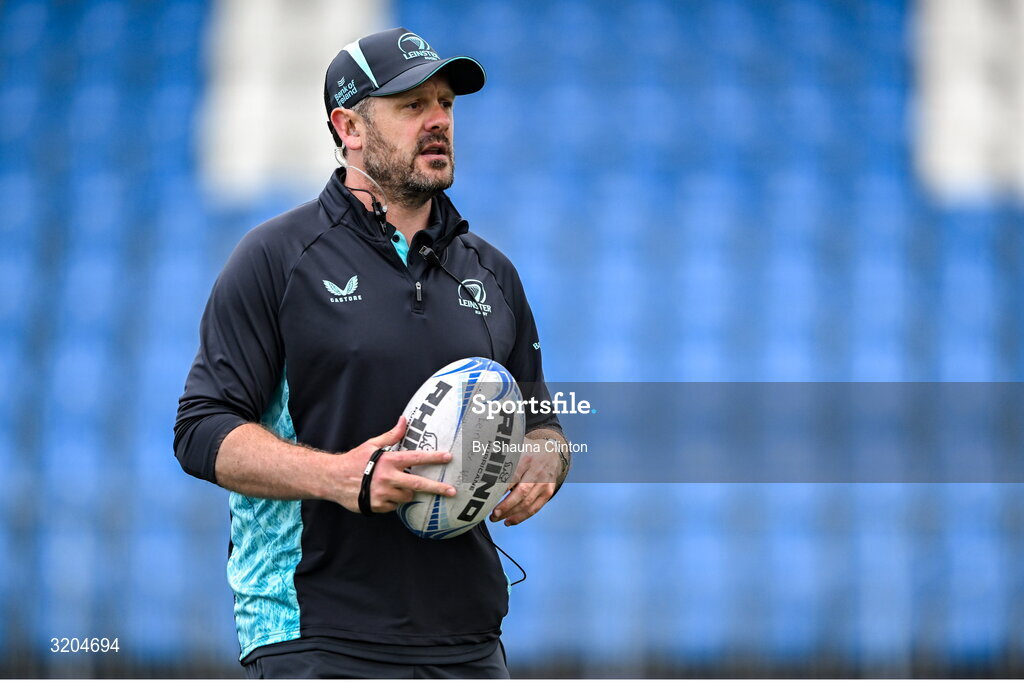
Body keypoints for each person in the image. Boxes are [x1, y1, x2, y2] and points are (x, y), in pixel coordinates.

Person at [173, 27, 571, 679]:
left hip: (466, 641)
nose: (439, 120)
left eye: (445, 103)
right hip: (318, 634)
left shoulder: (493, 273)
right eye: (413, 106)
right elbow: (200, 430)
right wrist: (343, 477)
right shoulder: (275, 259)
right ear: (349, 127)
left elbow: (541, 420)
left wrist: (543, 461)